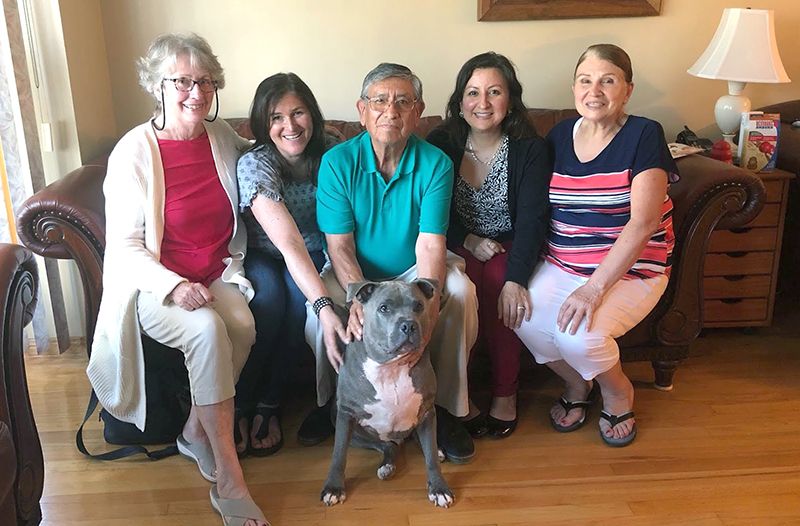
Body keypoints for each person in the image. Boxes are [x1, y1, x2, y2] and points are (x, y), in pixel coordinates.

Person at [88, 33, 267, 525]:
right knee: (208, 331)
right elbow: (123, 248)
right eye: (182, 81)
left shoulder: (220, 139)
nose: (196, 92)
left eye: (205, 82)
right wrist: (171, 284)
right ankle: (230, 480)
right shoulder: (134, 154)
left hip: (216, 272)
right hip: (154, 287)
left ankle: (193, 431)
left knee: (243, 328)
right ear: (158, 86)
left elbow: (261, 154)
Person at [303, 63, 479, 463]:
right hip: (356, 274)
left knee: (459, 293)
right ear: (361, 109)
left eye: (403, 102)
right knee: (321, 309)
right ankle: (329, 403)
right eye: (379, 101)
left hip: (412, 269)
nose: (391, 111)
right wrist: (359, 299)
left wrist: (429, 306)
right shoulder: (337, 162)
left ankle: (446, 409)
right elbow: (340, 246)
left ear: (418, 112)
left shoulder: (436, 164)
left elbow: (431, 244)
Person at [514, 44, 677, 447]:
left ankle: (618, 390)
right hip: (563, 262)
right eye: (586, 81)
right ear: (574, 88)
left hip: (633, 268)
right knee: (520, 315)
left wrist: (593, 288)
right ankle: (577, 384)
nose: (595, 91)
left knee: (579, 337)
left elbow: (643, 223)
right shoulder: (557, 136)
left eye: (608, 81)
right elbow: (534, 205)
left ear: (627, 90)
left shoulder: (643, 134)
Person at [426, 52, 551, 439]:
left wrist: (517, 279)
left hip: (514, 242)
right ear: (459, 101)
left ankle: (504, 393)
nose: (483, 103)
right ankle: (459, 398)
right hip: (458, 240)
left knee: (499, 282)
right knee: (462, 290)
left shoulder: (530, 149)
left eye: (494, 92)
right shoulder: (441, 143)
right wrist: (468, 238)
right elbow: (432, 212)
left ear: (510, 100)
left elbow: (532, 220)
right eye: (473, 92)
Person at [235, 73, 347, 456]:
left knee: (299, 309)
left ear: (312, 114)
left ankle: (270, 403)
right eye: (276, 117)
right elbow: (287, 241)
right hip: (266, 251)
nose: (289, 126)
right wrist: (324, 304)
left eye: (297, 113)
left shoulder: (333, 149)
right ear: (263, 124)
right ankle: (240, 403)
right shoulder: (255, 163)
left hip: (318, 249)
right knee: (268, 303)